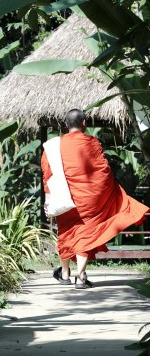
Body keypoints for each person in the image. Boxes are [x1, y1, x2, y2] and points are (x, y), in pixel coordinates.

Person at [41, 108, 149, 289]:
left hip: (64, 196)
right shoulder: (92, 142)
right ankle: (80, 277)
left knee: (66, 231)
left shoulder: (53, 146)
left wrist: (48, 198)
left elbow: (48, 174)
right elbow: (104, 171)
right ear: (84, 124)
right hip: (89, 199)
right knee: (85, 232)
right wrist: (108, 191)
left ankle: (65, 274)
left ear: (66, 125)